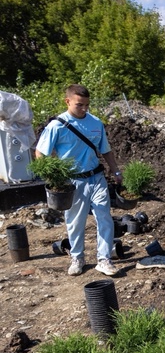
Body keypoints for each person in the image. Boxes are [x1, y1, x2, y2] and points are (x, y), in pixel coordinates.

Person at [35, 84, 122, 277]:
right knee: (75, 221)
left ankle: (104, 259)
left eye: (87, 105)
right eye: (79, 105)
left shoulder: (95, 123)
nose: (84, 109)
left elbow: (105, 150)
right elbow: (41, 153)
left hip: (96, 176)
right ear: (68, 101)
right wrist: (53, 177)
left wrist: (115, 171)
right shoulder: (57, 126)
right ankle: (77, 257)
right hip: (72, 182)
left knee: (104, 216)